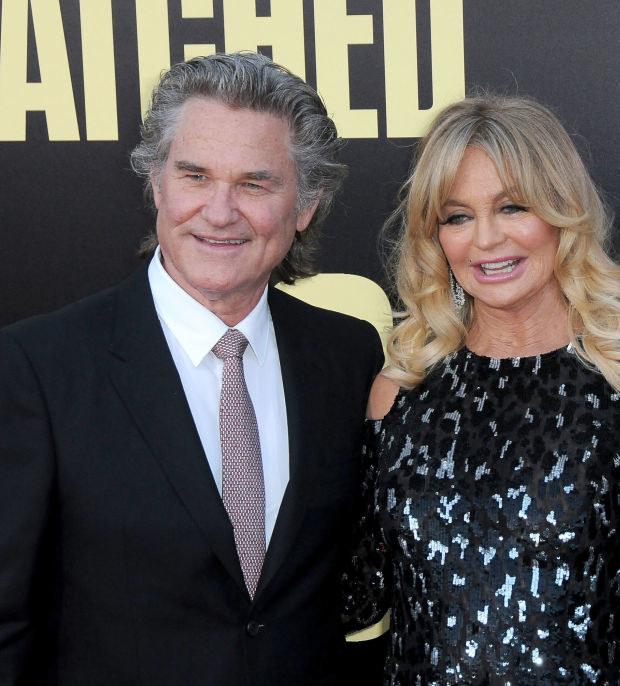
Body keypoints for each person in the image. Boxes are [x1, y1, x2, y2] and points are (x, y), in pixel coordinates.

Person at [0, 52, 383, 685]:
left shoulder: (348, 356)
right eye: (195, 175)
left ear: (306, 204)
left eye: (255, 183)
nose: (220, 211)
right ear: (157, 184)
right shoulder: (39, 368)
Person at [342, 95, 620, 683]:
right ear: (436, 236)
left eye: (512, 207)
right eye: (457, 216)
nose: (485, 239)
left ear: (562, 212)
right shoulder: (400, 395)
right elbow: (360, 596)